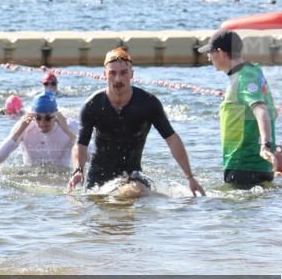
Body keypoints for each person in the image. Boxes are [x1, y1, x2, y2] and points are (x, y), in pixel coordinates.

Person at [67, 48, 205, 198]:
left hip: (133, 176)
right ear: (104, 74)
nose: (118, 79)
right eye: (113, 73)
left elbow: (172, 139)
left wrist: (189, 177)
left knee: (132, 192)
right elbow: (80, 144)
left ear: (131, 74)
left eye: (123, 73)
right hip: (98, 179)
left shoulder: (148, 103)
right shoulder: (92, 105)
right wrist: (78, 170)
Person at [199, 29, 278, 188]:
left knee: (231, 211)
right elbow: (273, 113)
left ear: (221, 53)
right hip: (256, 164)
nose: (208, 57)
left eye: (210, 52)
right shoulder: (253, 71)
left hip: (244, 165)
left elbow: (261, 109)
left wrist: (265, 145)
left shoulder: (243, 78)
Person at [0, 91, 77, 168]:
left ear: (56, 115)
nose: (42, 123)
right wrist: (18, 132)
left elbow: (89, 158)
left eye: (48, 118)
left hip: (60, 179)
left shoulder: (70, 126)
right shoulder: (24, 126)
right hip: (30, 175)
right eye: (38, 118)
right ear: (32, 115)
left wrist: (68, 132)